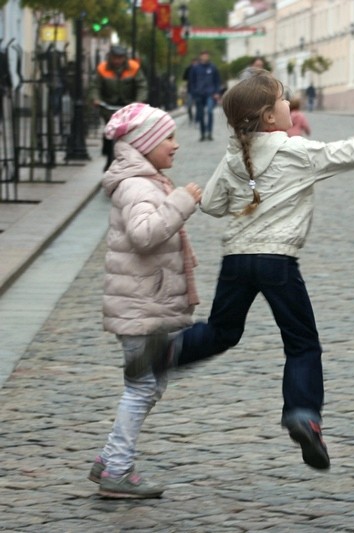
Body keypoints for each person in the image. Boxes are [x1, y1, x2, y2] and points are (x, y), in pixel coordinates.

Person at [125, 70, 354, 471]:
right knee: (301, 343)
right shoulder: (297, 151)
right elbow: (349, 152)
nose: (290, 103)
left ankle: (169, 351)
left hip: (237, 260)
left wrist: (231, 187)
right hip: (278, 262)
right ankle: (303, 414)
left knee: (222, 331)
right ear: (270, 117)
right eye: (283, 99)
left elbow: (214, 205)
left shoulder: (233, 157)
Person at [87, 103, 203, 499]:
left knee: (148, 386)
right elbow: (144, 234)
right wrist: (181, 203)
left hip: (146, 302)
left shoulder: (147, 180)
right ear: (145, 143)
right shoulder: (138, 186)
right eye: (168, 137)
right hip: (141, 306)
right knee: (142, 387)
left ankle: (109, 460)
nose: (176, 144)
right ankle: (117, 471)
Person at [88, 46, 148, 171]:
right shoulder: (102, 69)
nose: (117, 61)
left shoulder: (134, 68)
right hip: (108, 106)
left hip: (128, 106)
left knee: (128, 133)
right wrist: (96, 99)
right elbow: (95, 86)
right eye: (115, 58)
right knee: (109, 131)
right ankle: (108, 155)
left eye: (120, 58)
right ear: (110, 57)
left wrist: (139, 100)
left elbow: (141, 86)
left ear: (124, 58)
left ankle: (129, 158)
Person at [189, 51, 221, 141]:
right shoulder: (195, 68)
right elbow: (192, 82)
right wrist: (194, 92)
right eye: (204, 55)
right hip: (199, 94)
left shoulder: (213, 67)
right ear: (200, 56)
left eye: (207, 55)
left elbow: (217, 81)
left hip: (210, 94)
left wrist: (217, 92)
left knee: (210, 111)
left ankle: (209, 132)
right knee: (201, 114)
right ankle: (202, 133)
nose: (205, 57)